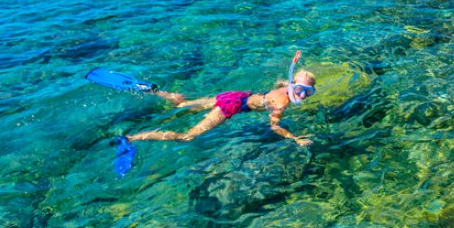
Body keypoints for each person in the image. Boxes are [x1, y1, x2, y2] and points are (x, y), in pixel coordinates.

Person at [126, 56, 317, 146]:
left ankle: (157, 92)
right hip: (232, 105)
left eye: (308, 92)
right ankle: (133, 137)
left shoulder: (283, 85)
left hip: (234, 95)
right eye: (300, 90)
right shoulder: (282, 103)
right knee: (188, 136)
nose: (301, 96)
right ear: (292, 85)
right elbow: (274, 126)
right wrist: (294, 138)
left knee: (183, 105)